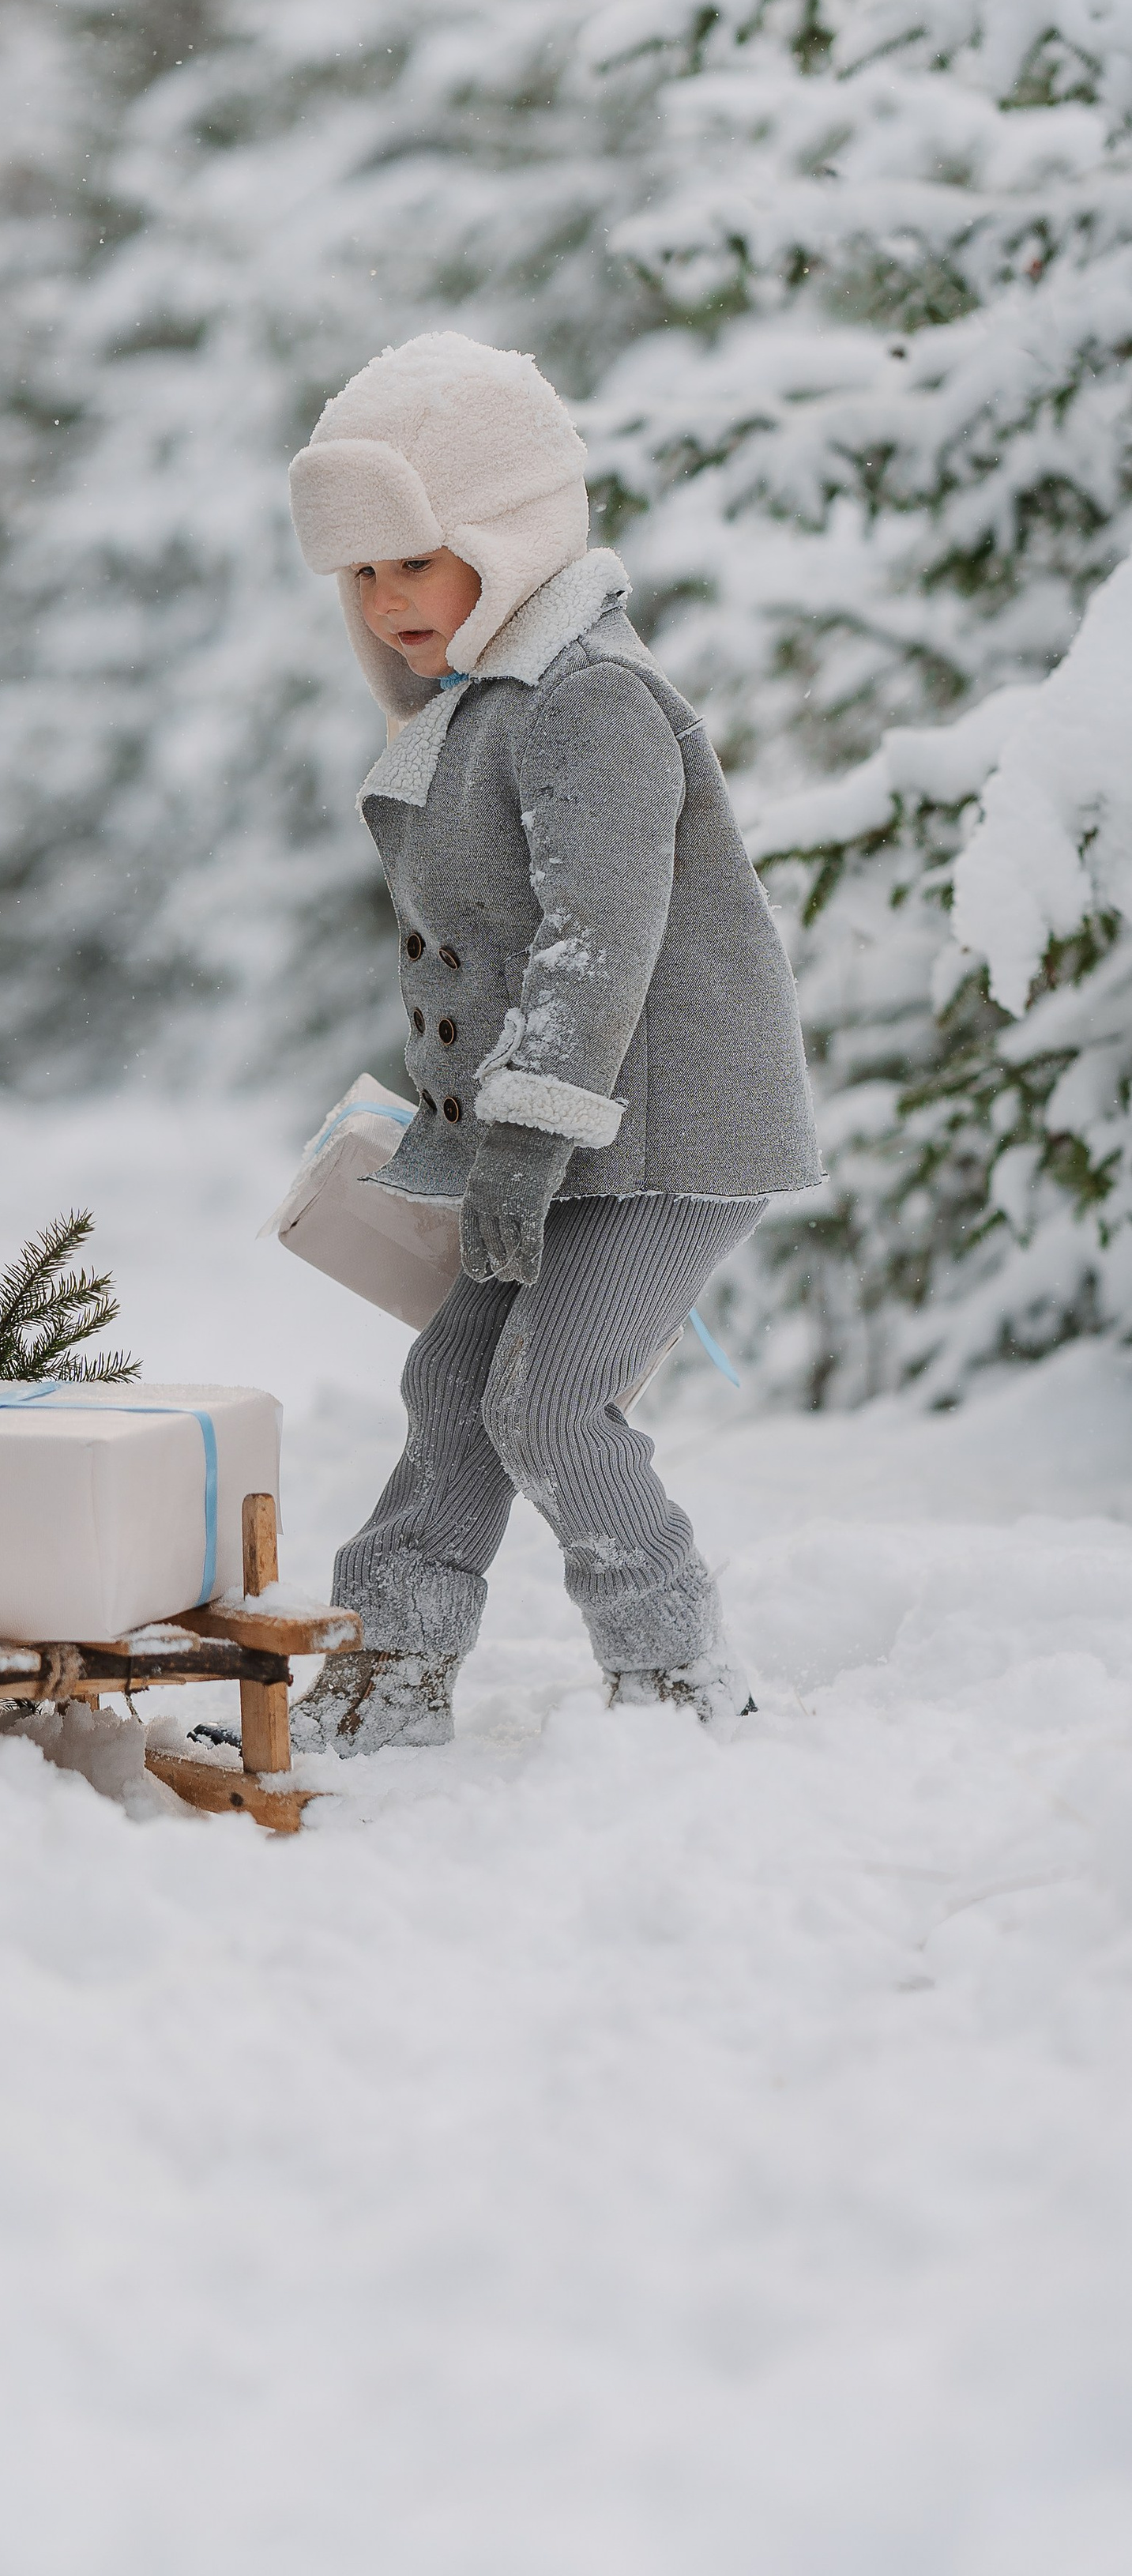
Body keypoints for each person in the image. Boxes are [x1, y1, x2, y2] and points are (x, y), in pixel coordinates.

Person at [284, 333, 820, 1753]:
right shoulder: (480, 708)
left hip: (671, 1134)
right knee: (454, 1380)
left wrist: (523, 1134)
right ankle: (388, 1663)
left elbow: (600, 938)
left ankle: (674, 1676)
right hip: (566, 1134)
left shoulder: (591, 701)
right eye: (365, 572)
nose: (391, 598)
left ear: (507, 541)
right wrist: (471, 1134)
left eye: (421, 558)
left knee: (549, 1398)